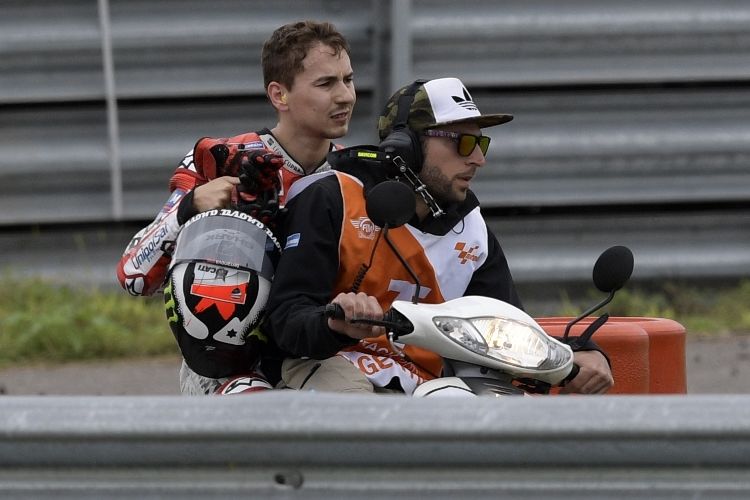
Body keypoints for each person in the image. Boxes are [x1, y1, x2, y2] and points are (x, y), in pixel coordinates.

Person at [264, 77, 614, 395]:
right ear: (407, 148)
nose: (478, 159)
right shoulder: (333, 198)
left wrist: (579, 353)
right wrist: (334, 322)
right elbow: (285, 321)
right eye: (464, 143)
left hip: (428, 388)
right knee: (354, 404)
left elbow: (506, 330)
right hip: (332, 367)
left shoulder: (473, 231)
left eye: (481, 144)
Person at [116, 20, 356, 395]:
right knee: (255, 407)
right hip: (228, 365)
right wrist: (191, 208)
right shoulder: (222, 159)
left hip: (317, 355)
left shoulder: (356, 177)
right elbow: (133, 275)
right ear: (280, 95)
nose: (345, 96)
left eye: (348, 79)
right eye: (326, 84)